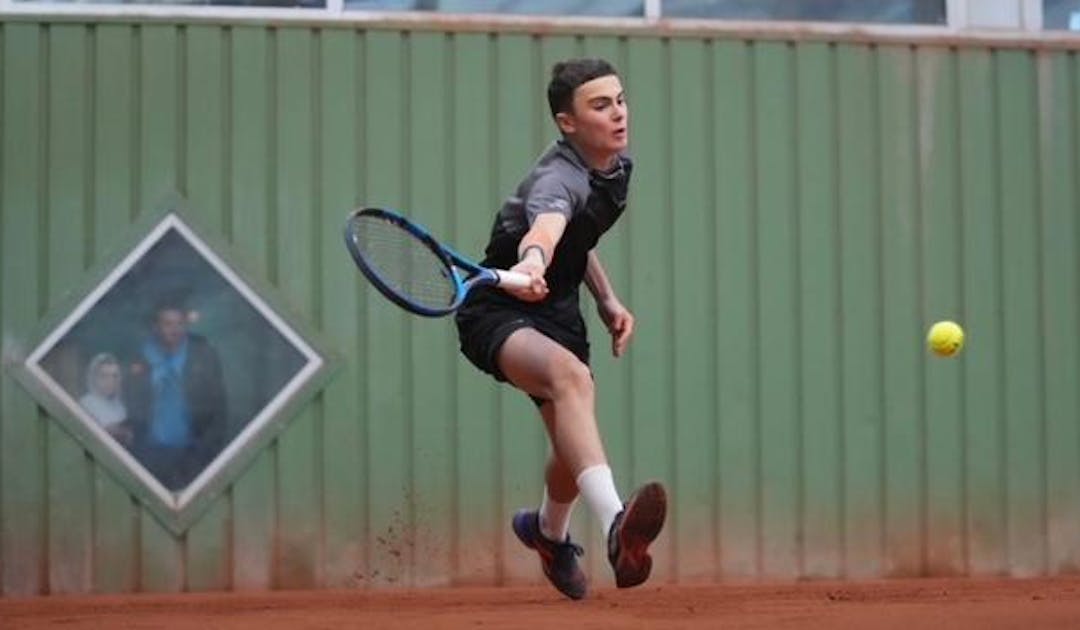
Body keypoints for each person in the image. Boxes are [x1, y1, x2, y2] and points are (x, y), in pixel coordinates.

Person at [455, 58, 667, 600]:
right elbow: (548, 227)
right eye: (600, 106)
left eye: (620, 100)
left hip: (561, 310)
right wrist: (530, 262)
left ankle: (547, 534)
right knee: (571, 379)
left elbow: (581, 233)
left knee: (573, 451)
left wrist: (606, 297)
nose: (618, 114)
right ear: (567, 122)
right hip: (499, 310)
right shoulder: (558, 177)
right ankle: (617, 527)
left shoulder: (616, 166)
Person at [125, 297, 227, 491]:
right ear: (156, 327)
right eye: (168, 324)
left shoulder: (204, 355)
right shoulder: (141, 357)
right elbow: (131, 403)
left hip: (193, 452)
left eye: (180, 323)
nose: (175, 330)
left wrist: (208, 450)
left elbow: (219, 407)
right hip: (149, 454)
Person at [79, 352, 133, 446]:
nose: (110, 381)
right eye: (104, 376)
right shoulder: (85, 404)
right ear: (94, 378)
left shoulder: (120, 406)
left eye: (115, 376)